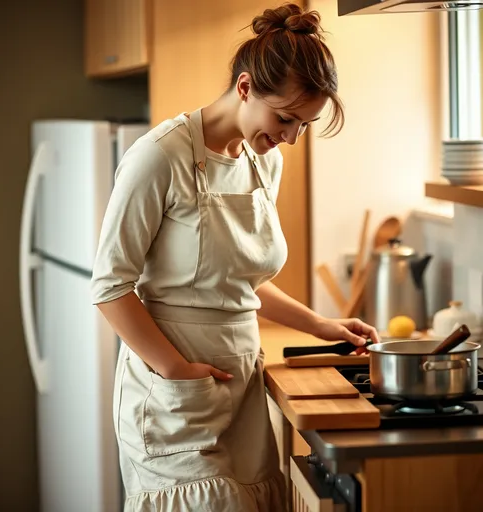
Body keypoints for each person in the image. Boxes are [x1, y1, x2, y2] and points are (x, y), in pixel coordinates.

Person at [91, 3, 379, 511]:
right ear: (245, 88)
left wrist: (322, 326)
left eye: (304, 125)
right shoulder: (159, 157)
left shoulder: (263, 162)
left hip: (241, 383)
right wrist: (175, 368)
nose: (289, 137)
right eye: (286, 118)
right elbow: (110, 288)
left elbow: (238, 281)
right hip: (174, 396)